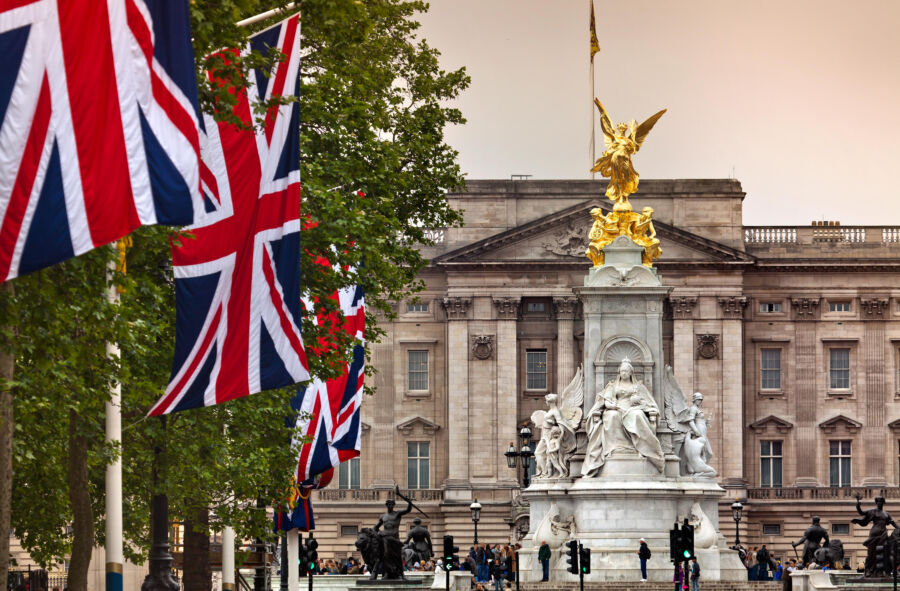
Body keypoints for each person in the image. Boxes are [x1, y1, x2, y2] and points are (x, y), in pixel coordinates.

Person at [852, 495, 898, 577]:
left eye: (881, 501)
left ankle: (881, 571)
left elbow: (892, 523)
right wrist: (858, 504)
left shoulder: (886, 514)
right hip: (874, 534)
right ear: (876, 503)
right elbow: (861, 513)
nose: (879, 503)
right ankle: (868, 570)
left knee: (884, 553)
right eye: (878, 502)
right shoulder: (873, 511)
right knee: (871, 553)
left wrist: (898, 528)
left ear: (883, 503)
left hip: (883, 534)